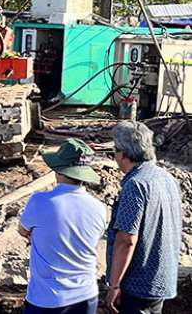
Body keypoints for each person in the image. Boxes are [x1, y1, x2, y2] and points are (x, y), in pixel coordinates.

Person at [19, 138, 108, 314]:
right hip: (85, 297)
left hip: (46, 298)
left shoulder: (39, 202)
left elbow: (23, 230)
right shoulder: (99, 208)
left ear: (58, 170)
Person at [105, 121, 182, 314]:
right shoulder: (167, 179)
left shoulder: (135, 185)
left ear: (124, 154)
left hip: (138, 285)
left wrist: (114, 285)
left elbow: (126, 240)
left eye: (114, 150)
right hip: (162, 278)